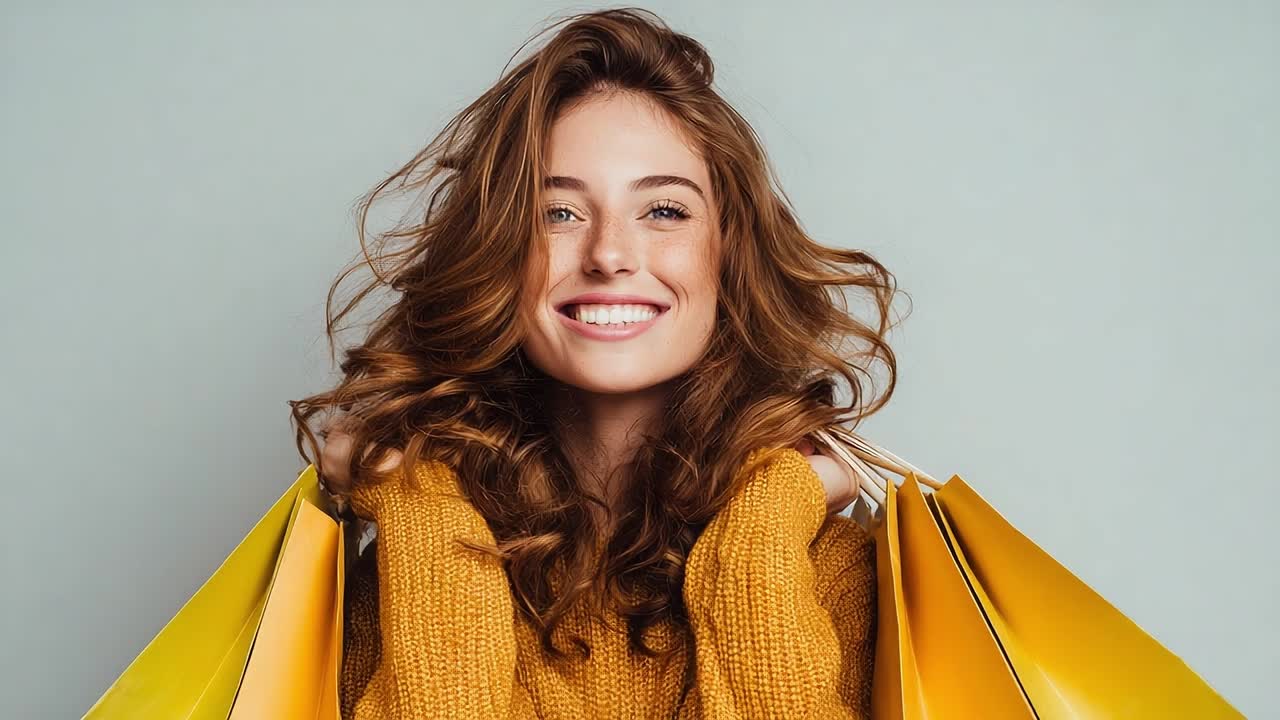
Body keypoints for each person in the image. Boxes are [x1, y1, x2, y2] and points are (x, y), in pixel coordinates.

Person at [290, 8, 902, 719]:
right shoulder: (412, 556)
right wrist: (419, 503)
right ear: (498, 254)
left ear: (730, 252)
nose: (610, 254)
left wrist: (755, 539)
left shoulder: (826, 565)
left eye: (664, 211)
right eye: (559, 214)